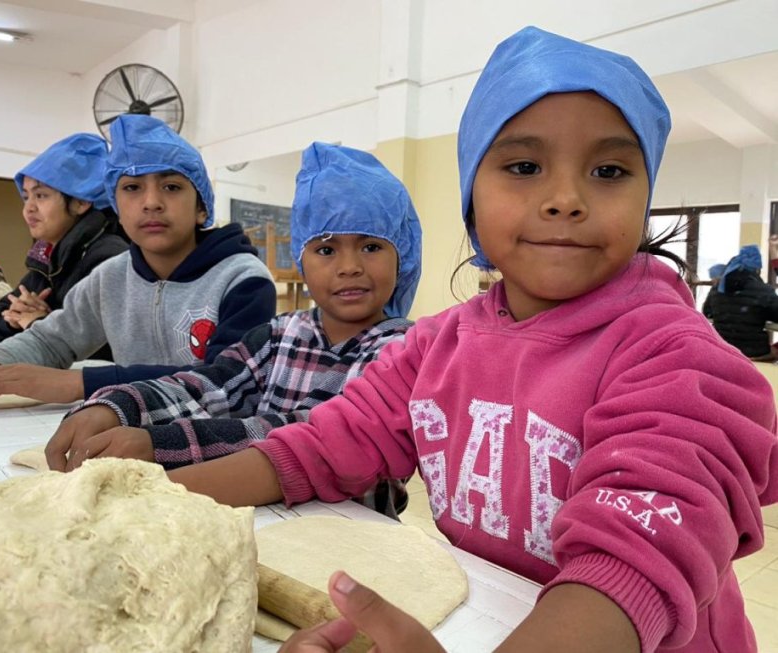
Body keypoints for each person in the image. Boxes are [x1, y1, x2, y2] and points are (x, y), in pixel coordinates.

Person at [154, 27, 777, 653]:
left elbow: (637, 557)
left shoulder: (678, 358)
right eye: (525, 166)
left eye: (608, 170)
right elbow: (321, 447)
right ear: (470, 197)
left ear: (647, 199)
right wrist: (144, 503)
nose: (565, 199)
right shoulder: (437, 346)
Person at [44, 142, 422, 517]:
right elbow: (210, 385)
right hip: (259, 522)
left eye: (371, 246)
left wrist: (157, 443)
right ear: (300, 260)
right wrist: (119, 406)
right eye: (326, 250)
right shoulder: (278, 335)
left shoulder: (405, 351)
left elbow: (314, 434)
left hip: (350, 537)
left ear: (402, 256)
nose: (349, 267)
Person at [0, 114, 277, 409]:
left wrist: (78, 383)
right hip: (126, 424)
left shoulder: (241, 279)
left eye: (171, 186)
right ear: (116, 204)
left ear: (201, 207)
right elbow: (52, 340)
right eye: (132, 188)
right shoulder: (110, 278)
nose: (150, 202)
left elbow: (227, 383)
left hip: (211, 442)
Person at [0, 132, 128, 346]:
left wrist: (40, 322)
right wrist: (14, 319)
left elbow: (113, 343)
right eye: (25, 197)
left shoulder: (108, 257)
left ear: (81, 202)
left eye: (41, 195)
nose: (28, 208)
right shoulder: (46, 258)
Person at [703, 245, 778, 360]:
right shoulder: (763, 290)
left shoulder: (718, 288)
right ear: (757, 269)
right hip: (755, 353)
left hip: (722, 349)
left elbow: (707, 311)